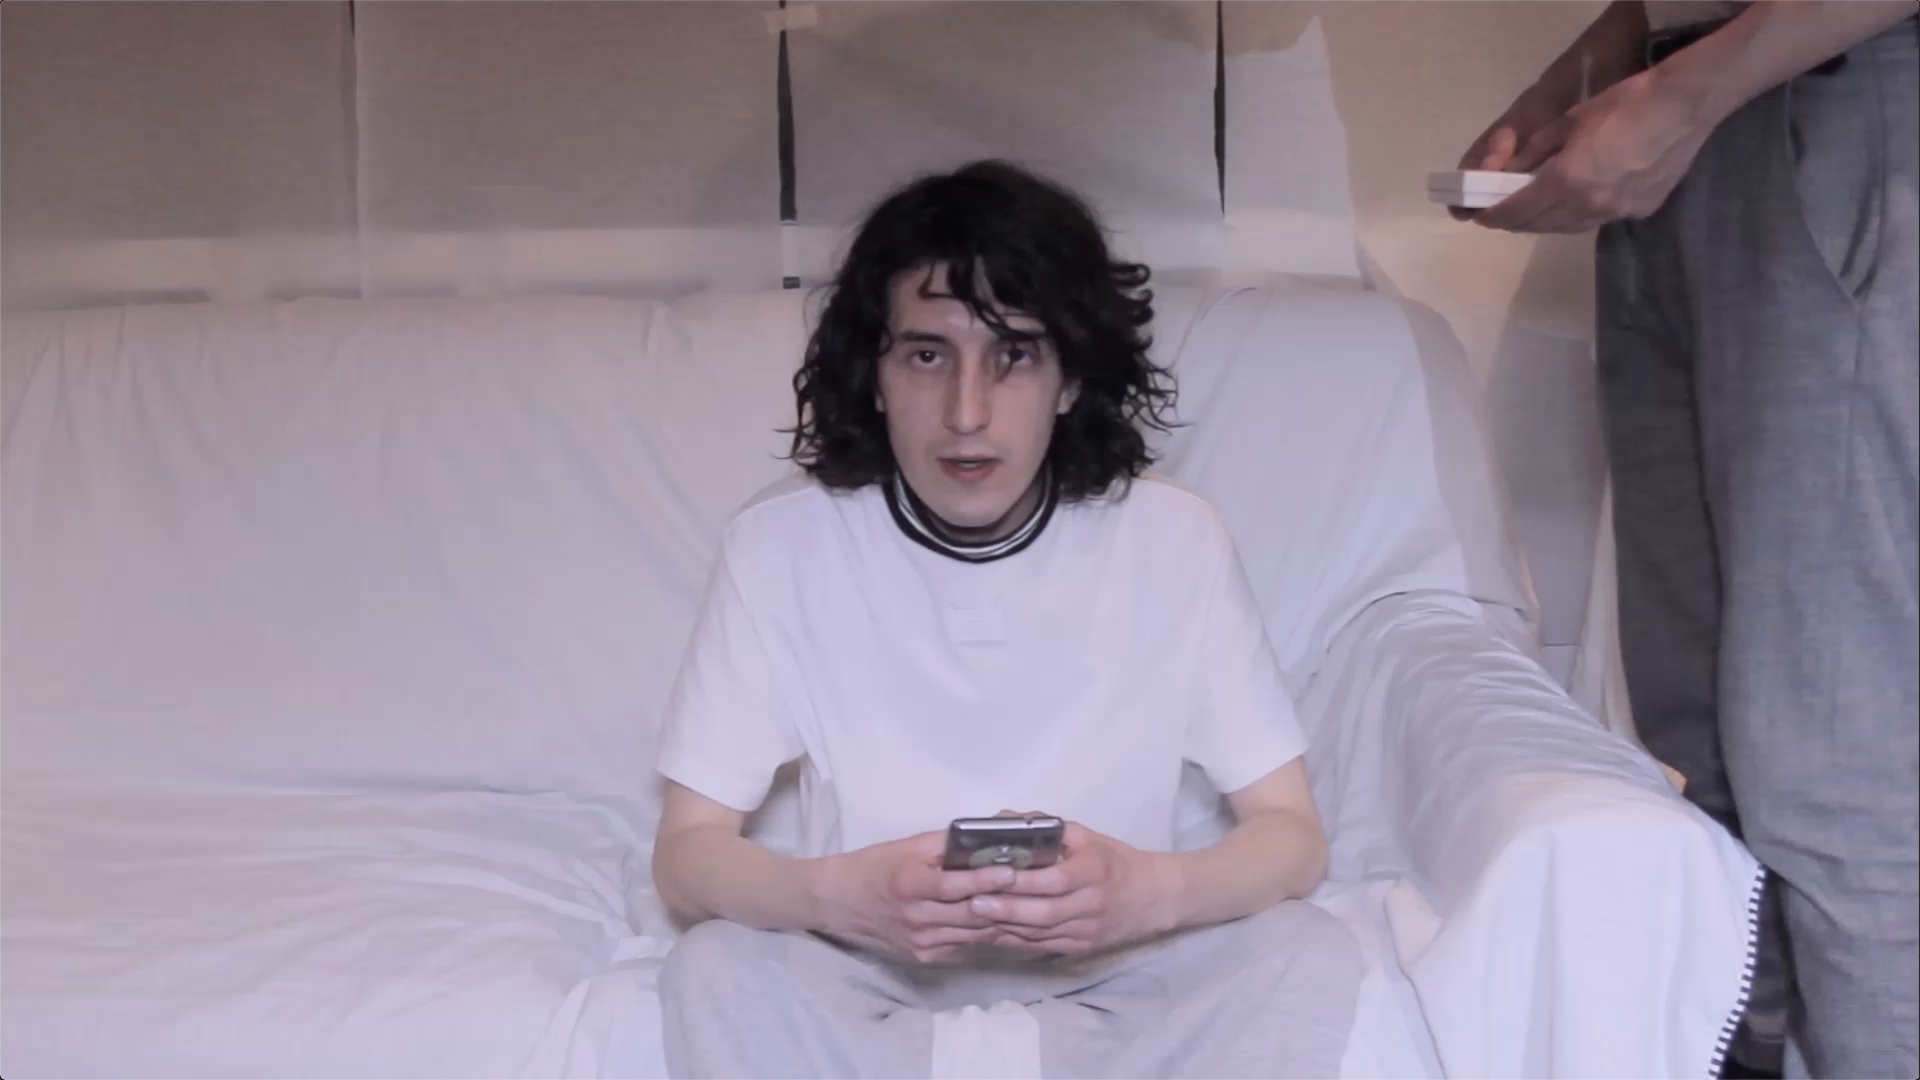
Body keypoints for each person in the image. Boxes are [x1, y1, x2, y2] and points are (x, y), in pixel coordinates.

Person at [649, 160, 1363, 1078]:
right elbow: (687, 855)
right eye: (926, 355)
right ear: (875, 375)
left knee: (1301, 951)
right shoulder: (780, 545)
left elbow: (1291, 836)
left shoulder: (1173, 537)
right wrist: (836, 895)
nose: (967, 413)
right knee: (714, 966)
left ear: (1070, 380)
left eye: (1014, 356)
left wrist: (1149, 893)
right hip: (866, 972)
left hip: (1119, 974)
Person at [1456, 4, 1917, 1078]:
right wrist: (1605, 63)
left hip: (1829, 82)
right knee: (1697, 737)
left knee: (1829, 751)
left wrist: (1685, 93)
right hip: (1708, 102)